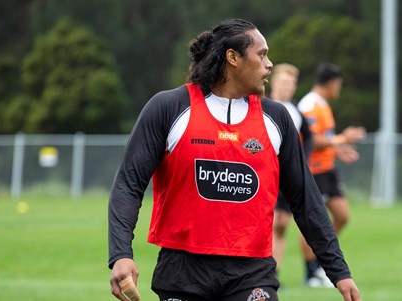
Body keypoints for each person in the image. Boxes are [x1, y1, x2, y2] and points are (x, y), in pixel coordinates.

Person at [108, 19, 361, 301]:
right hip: (182, 272)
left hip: (252, 273)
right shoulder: (169, 107)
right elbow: (128, 185)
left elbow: (305, 199)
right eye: (262, 54)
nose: (270, 64)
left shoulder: (277, 119)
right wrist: (120, 255)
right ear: (233, 58)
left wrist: (339, 272)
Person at [297, 63, 366, 287]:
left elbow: (325, 139)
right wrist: (343, 139)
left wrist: (338, 149)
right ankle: (311, 272)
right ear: (332, 83)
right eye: (339, 85)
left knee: (342, 215)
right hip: (313, 171)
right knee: (313, 223)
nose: (339, 89)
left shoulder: (323, 104)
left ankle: (319, 258)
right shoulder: (309, 105)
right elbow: (312, 140)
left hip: (328, 169)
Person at [267, 63, 313, 274]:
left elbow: (309, 137)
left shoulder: (296, 111)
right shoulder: (262, 105)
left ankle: (274, 271)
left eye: (293, 83)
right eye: (285, 82)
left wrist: (303, 162)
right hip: (266, 173)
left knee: (282, 224)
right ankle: (262, 268)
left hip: (287, 175)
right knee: (271, 221)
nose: (289, 87)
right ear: (274, 82)